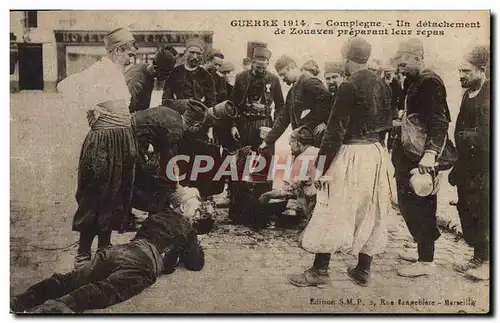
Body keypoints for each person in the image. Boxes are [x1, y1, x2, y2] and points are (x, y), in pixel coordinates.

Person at [288, 36, 393, 288]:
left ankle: (319, 271)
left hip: (352, 152)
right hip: (376, 153)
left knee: (332, 206)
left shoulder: (348, 85)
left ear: (346, 58)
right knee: (371, 210)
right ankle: (363, 269)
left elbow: (335, 131)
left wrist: (320, 167)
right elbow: (388, 124)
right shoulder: (383, 84)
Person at [10, 187, 206, 314]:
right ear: (182, 207)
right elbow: (195, 264)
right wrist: (195, 243)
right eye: (196, 208)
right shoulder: (186, 227)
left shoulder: (156, 217)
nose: (198, 212)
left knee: (73, 278)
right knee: (106, 289)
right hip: (143, 262)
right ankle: (54, 310)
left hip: (119, 251)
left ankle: (22, 299)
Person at [57, 27, 139, 269]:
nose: (131, 58)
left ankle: (104, 247)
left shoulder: (116, 72)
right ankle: (83, 252)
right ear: (118, 50)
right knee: (96, 192)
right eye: (129, 54)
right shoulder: (100, 68)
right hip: (104, 141)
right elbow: (65, 85)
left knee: (116, 193)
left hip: (122, 139)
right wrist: (89, 105)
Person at [391, 38, 456, 278]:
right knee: (408, 203)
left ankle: (426, 260)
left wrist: (430, 155)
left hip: (422, 157)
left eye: (404, 63)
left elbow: (439, 121)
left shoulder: (430, 81)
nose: (401, 67)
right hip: (408, 154)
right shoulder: (412, 80)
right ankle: (421, 248)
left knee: (423, 205)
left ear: (418, 58)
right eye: (399, 64)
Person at [449, 45, 490, 281]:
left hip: (485, 167)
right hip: (466, 164)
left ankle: (487, 262)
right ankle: (477, 256)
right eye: (459, 71)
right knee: (466, 209)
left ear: (481, 70)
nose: (461, 76)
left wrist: (471, 137)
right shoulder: (468, 93)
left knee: (483, 211)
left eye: (465, 71)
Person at [132, 100, 208, 213]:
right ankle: (158, 211)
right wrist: (176, 185)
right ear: (196, 125)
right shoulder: (176, 130)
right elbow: (169, 163)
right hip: (128, 135)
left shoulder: (173, 115)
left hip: (129, 127)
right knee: (153, 179)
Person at [261, 55, 330, 150]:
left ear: (292, 68)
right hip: (301, 142)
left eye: (283, 74)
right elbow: (283, 119)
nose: (282, 78)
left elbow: (328, 98)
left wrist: (326, 122)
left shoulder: (309, 82)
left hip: (313, 143)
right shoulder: (292, 91)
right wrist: (267, 141)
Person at [259, 125, 319, 228]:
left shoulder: (301, 158)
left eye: (291, 144)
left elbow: (288, 190)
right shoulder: (319, 151)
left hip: (314, 201)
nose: (290, 148)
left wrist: (267, 195)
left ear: (297, 142)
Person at [230, 46, 285, 152]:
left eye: (263, 68)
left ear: (267, 65)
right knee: (242, 158)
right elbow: (233, 103)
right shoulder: (241, 78)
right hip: (244, 124)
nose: (261, 71)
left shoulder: (274, 80)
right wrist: (233, 125)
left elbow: (280, 105)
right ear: (252, 63)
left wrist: (274, 127)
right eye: (258, 68)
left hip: (264, 124)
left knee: (265, 159)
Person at [125, 45, 178, 112]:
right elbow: (126, 110)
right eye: (166, 74)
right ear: (155, 68)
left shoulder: (148, 71)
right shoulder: (137, 82)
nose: (167, 77)